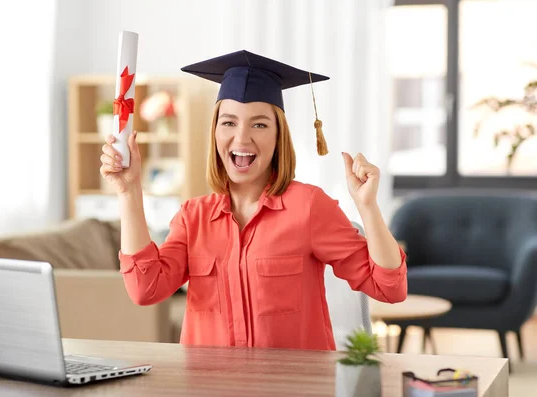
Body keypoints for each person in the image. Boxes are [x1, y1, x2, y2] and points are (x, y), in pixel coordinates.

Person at [99, 50, 407, 351]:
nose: (242, 138)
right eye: (229, 123)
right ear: (215, 133)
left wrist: (367, 207)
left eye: (259, 124)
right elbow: (144, 289)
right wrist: (129, 191)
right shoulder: (193, 217)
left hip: (292, 386)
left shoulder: (309, 207)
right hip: (210, 386)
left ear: (278, 137)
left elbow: (389, 288)